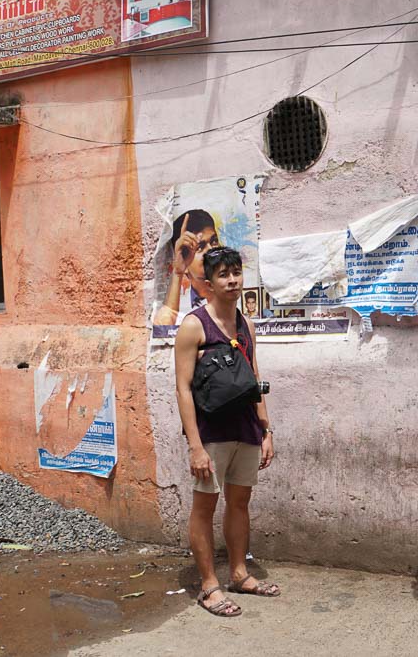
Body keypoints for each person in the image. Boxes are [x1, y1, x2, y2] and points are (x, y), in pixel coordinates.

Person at [173, 246, 280, 617]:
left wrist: (265, 429)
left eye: (236, 272)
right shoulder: (193, 325)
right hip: (211, 434)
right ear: (208, 283)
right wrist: (195, 446)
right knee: (205, 507)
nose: (232, 280)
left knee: (239, 503)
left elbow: (254, 378)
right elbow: (183, 387)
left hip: (246, 430)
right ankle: (208, 586)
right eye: (223, 274)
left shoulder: (246, 324)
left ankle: (238, 573)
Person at [154, 209, 221, 326]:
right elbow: (163, 330)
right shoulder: (180, 303)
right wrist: (177, 272)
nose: (211, 250)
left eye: (214, 241)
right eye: (200, 247)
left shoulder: (235, 289)